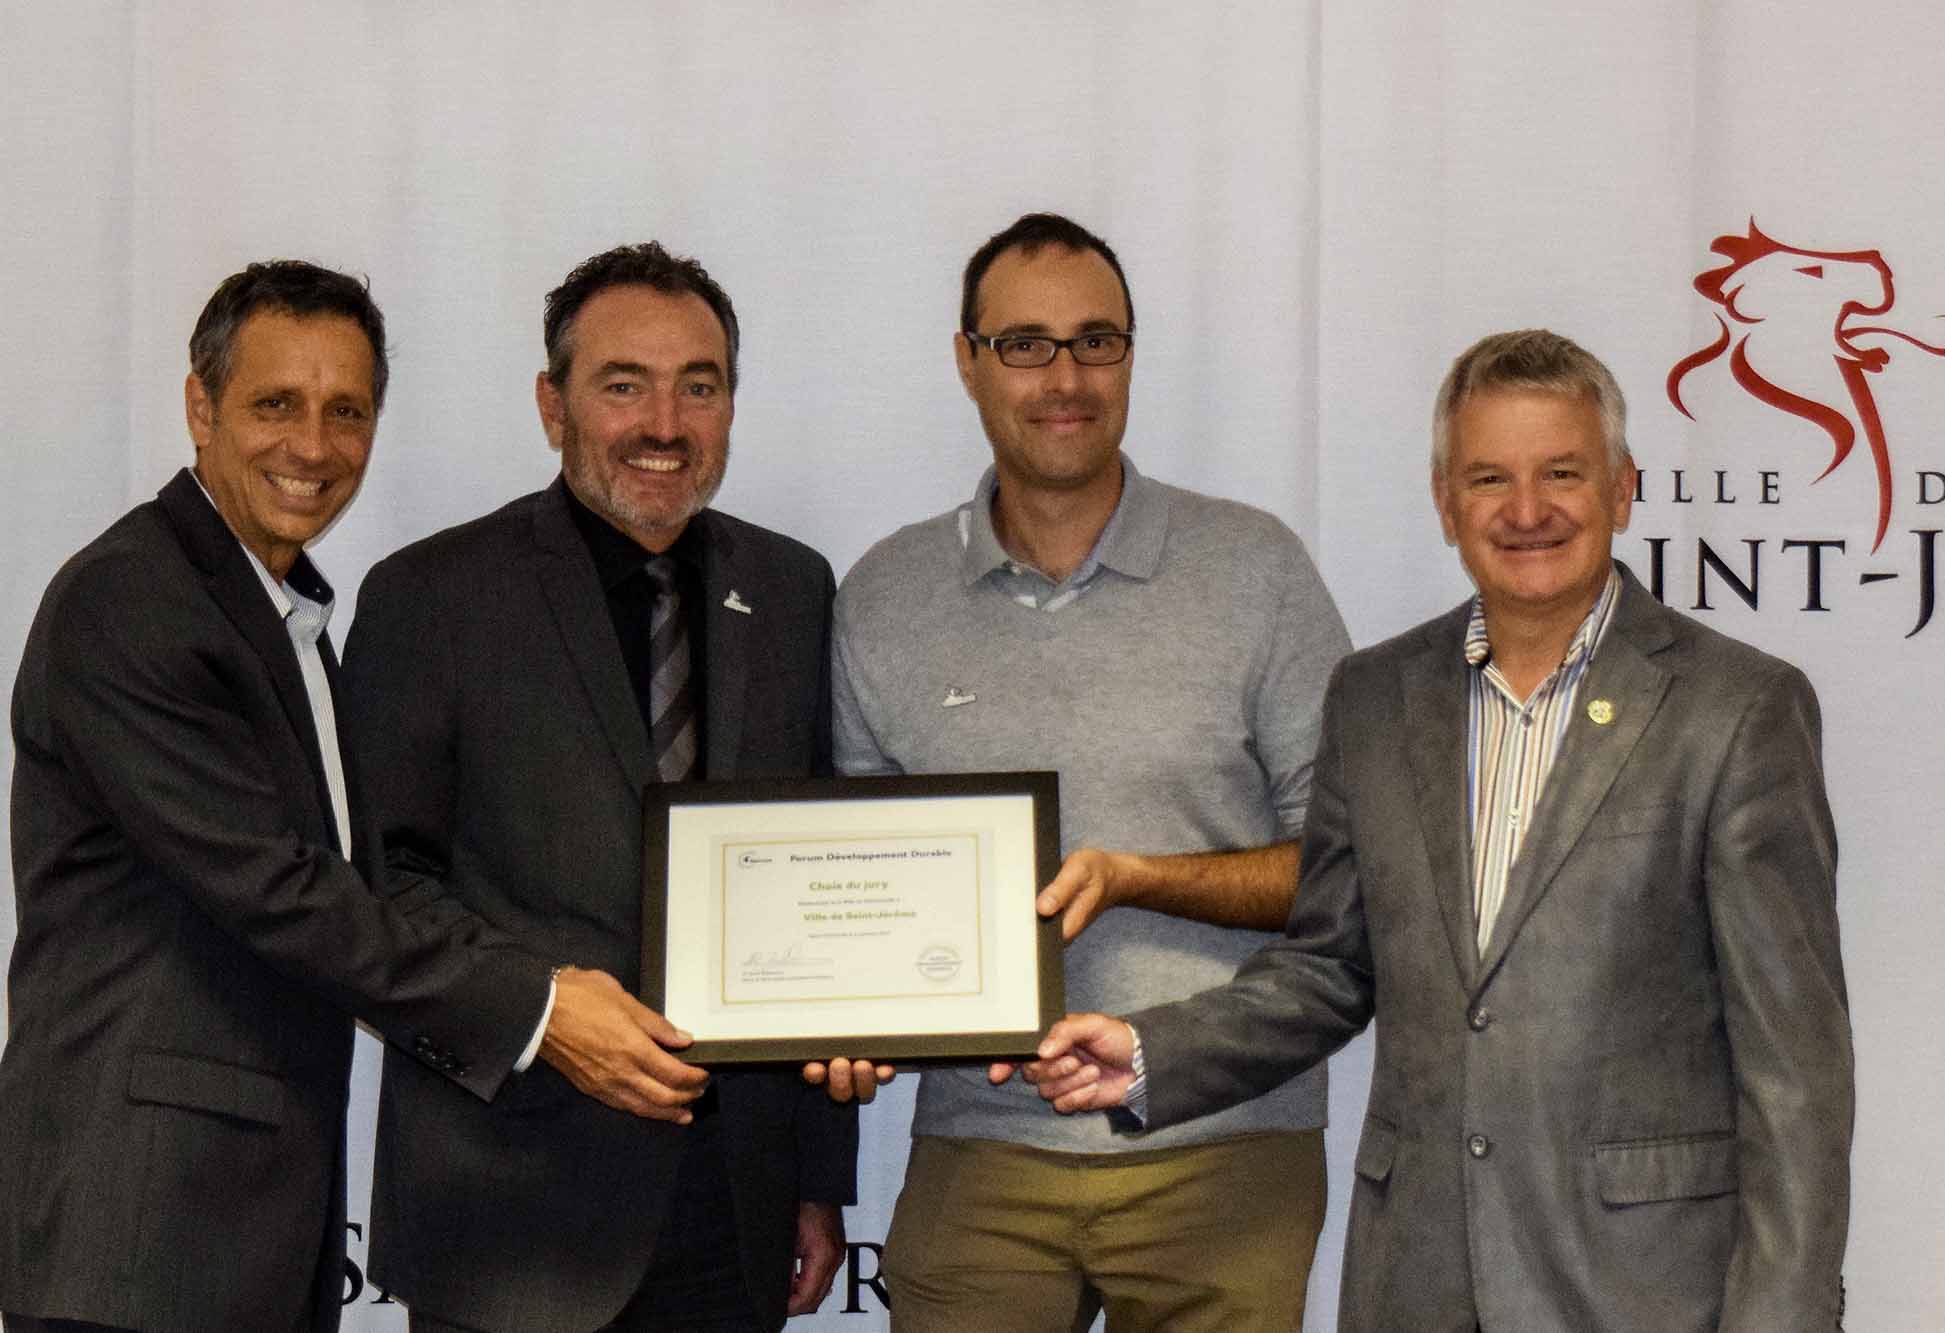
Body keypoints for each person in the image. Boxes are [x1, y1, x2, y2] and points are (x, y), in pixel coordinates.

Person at [1019, 329, 1855, 1332]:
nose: (1527, 510)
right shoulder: (1373, 697)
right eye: (1488, 477)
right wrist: (1151, 1051)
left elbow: (1793, 1074)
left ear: (1623, 489)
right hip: (1418, 1282)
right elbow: (1330, 966)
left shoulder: (1737, 709)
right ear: (1443, 501)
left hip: (1643, 1292)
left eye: (1561, 473)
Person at [0, 261, 688, 1333]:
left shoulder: (273, 613)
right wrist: (542, 1006)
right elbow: (283, 893)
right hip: (143, 1229)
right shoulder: (133, 599)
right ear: (199, 404)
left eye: (346, 411)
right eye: (275, 404)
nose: (313, 447)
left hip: (241, 1219)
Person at [828, 213, 1351, 1332]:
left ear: (1128, 355)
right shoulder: (882, 595)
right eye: (1023, 344)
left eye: (1095, 341)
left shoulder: (1255, 569)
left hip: (1221, 1142)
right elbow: (853, 889)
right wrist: (839, 1013)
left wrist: (1133, 875)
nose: (1063, 377)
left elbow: (1347, 869)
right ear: (966, 359)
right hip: (980, 1152)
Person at [343, 243, 856, 1333]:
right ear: (552, 404)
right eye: (623, 384)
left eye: (698, 385)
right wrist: (538, 1013)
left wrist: (816, 1176)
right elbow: (384, 890)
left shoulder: (793, 588)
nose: (663, 424)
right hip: (509, 1208)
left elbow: (819, 873)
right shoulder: (429, 596)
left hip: (733, 1208)